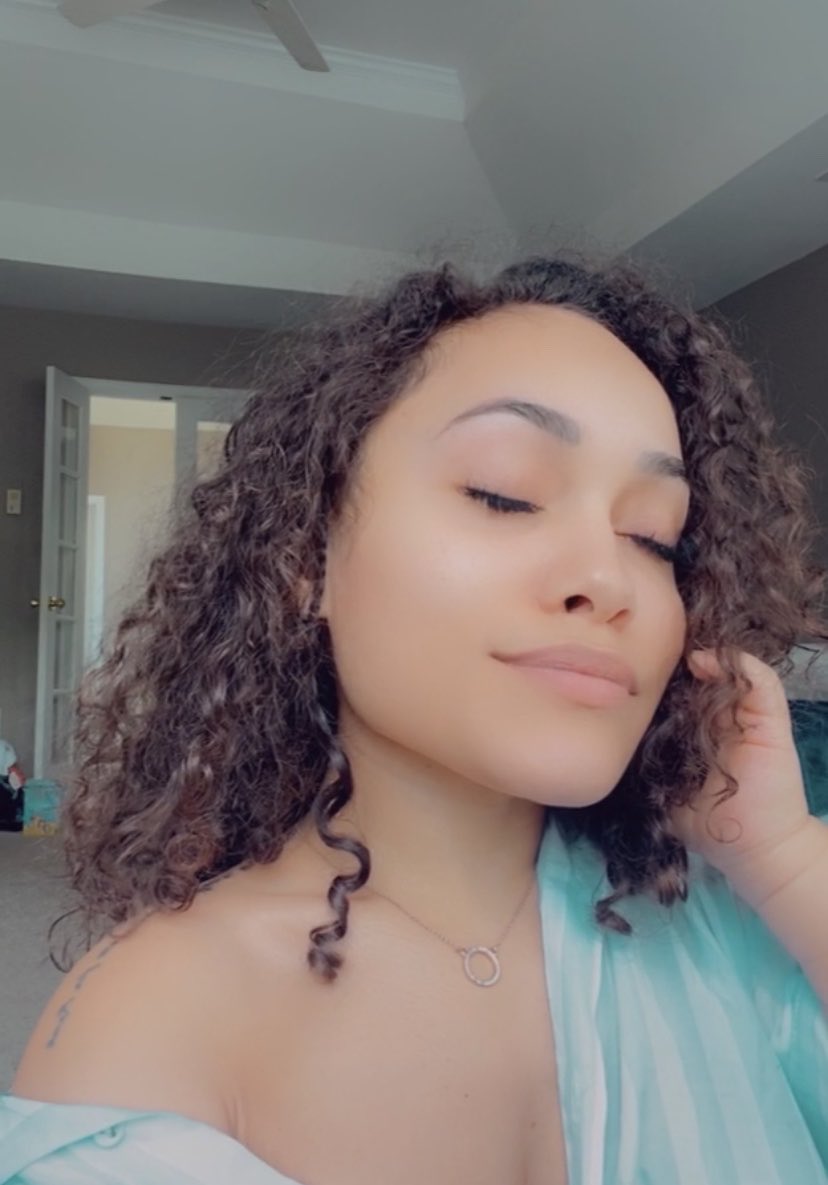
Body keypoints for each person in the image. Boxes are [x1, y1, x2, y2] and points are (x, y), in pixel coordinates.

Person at [1, 253, 827, 1185]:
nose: (609, 579)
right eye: (503, 493)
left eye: (655, 537)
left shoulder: (723, 919)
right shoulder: (153, 1029)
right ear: (304, 560)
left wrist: (785, 856)